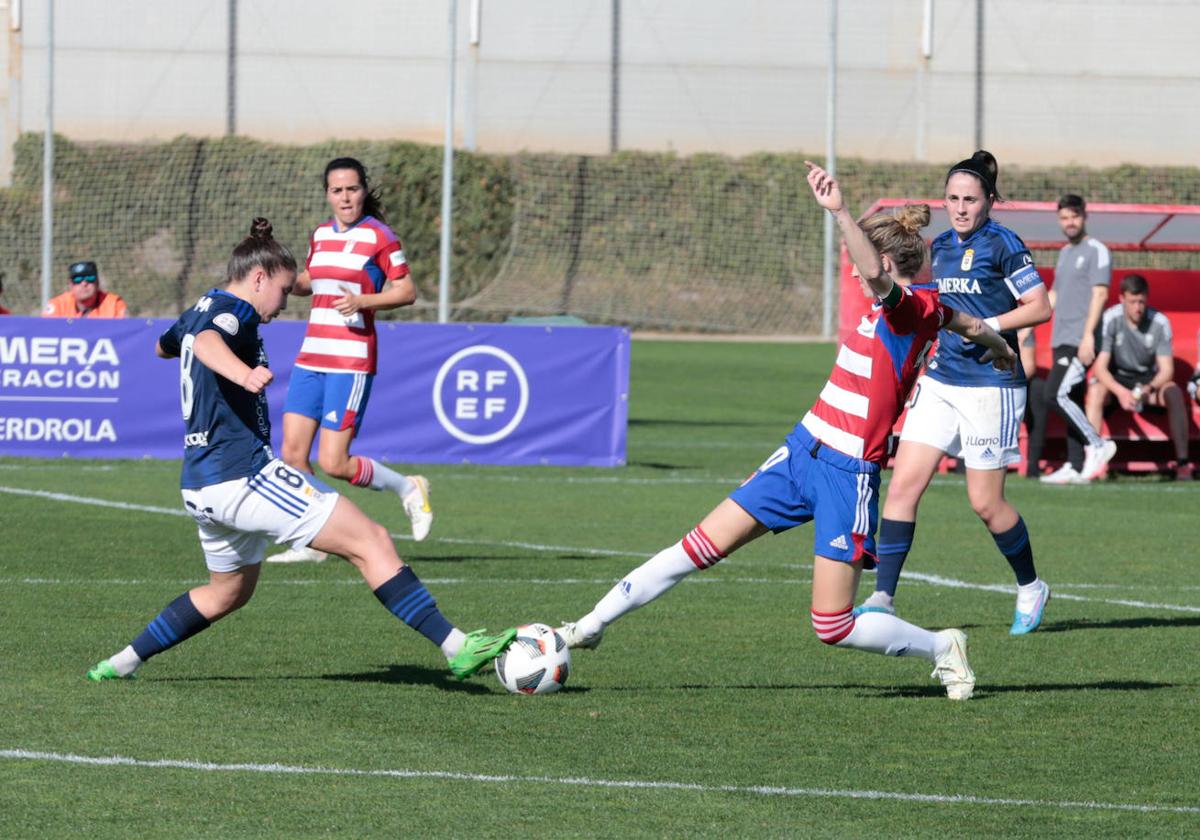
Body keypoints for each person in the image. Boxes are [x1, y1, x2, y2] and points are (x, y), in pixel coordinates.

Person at [557, 162, 1016, 701]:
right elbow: (969, 322)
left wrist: (841, 212)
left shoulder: (908, 309)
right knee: (697, 547)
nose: (851, 271)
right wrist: (1000, 348)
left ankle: (942, 646)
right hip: (801, 452)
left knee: (832, 626)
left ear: (886, 263)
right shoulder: (924, 309)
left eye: (858, 261)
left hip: (848, 473)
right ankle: (585, 627)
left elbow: (887, 284)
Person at [86, 218, 515, 682]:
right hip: (243, 475)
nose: (285, 303)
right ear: (258, 278)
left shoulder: (201, 305)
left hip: (201, 485)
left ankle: (120, 662)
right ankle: (458, 646)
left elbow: (164, 345)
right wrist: (242, 374)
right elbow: (209, 341)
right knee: (372, 541)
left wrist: (192, 347)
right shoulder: (234, 311)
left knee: (227, 594)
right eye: (285, 290)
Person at [857, 151, 1054, 636]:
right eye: (953, 198)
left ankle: (1030, 585)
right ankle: (883, 597)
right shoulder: (939, 246)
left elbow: (1040, 306)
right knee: (903, 487)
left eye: (970, 199)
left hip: (993, 382)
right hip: (943, 380)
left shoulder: (1005, 246)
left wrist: (990, 327)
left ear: (990, 201)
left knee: (985, 503)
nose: (961, 207)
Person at [269, 157, 432, 564]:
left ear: (363, 190)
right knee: (291, 454)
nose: (345, 197)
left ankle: (407, 487)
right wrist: (276, 271)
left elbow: (406, 290)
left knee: (334, 462)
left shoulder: (381, 236)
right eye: (337, 190)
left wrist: (364, 300)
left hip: (351, 359)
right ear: (327, 194)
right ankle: (312, 542)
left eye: (352, 188)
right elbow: (309, 282)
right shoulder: (321, 234)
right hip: (311, 357)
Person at [1027, 195, 1115, 484]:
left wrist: (1089, 336)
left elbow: (1100, 294)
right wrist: (1025, 328)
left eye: (1074, 216)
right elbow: (1054, 295)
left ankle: (1099, 444)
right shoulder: (1065, 253)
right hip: (1060, 339)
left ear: (1084, 216)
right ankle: (1076, 465)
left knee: (1055, 394)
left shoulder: (1097, 250)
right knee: (1071, 397)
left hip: (1081, 339)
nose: (1070, 222)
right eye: (1064, 218)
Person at [1085, 274, 1193, 480]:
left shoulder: (1160, 322)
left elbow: (1166, 370)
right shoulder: (1111, 318)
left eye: (1142, 301)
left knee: (1174, 392)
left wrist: (1148, 388)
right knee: (1096, 390)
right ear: (1121, 299)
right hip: (1117, 381)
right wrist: (1121, 392)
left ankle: (1183, 463)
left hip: (1147, 382)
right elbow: (1100, 367)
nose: (1138, 307)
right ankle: (1094, 458)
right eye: (1133, 301)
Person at [42, 260, 128, 318]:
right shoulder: (58, 305)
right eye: (77, 279)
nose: (84, 283)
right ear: (71, 285)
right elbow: (44, 332)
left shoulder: (114, 304)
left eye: (90, 278)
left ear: (97, 283)